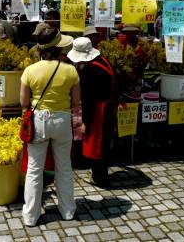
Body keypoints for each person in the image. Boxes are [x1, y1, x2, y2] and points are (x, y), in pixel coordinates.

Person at [20, 28, 80, 227]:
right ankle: (68, 210)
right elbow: (75, 102)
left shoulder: (30, 70)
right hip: (62, 120)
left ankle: (30, 215)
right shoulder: (70, 70)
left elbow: (23, 102)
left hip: (39, 121)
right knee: (64, 167)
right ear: (58, 48)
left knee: (34, 169)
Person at [67, 37, 116, 186]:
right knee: (104, 143)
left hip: (98, 110)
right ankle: (101, 174)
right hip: (108, 106)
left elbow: (88, 99)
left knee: (96, 144)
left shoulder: (90, 71)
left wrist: (85, 122)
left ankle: (99, 177)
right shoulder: (103, 61)